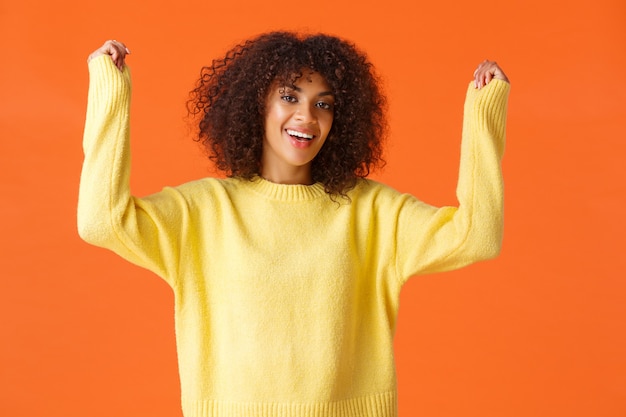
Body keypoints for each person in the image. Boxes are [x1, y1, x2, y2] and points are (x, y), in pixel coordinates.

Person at [78, 32, 510, 417]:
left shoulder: (372, 212)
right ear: (256, 105)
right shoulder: (203, 211)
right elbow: (101, 221)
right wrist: (111, 92)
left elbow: (477, 237)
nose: (307, 116)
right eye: (289, 97)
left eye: (324, 104)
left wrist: (484, 113)